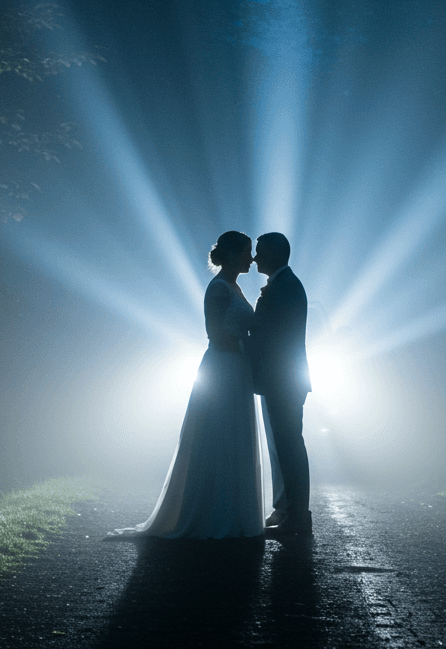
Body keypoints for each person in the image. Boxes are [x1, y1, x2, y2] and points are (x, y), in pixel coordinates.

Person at [110, 231, 263, 539]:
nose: (252, 258)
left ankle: (231, 512)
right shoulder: (219, 288)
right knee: (218, 436)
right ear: (234, 255)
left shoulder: (233, 286)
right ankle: (212, 513)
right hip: (223, 368)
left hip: (235, 368)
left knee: (233, 436)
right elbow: (215, 333)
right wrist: (244, 346)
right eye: (247, 252)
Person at [250, 232, 312, 537]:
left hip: (283, 379)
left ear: (274, 253)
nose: (254, 258)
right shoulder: (284, 284)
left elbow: (273, 337)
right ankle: (288, 510)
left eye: (260, 252)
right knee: (283, 446)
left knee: (290, 447)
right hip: (280, 379)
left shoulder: (284, 286)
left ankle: (298, 517)